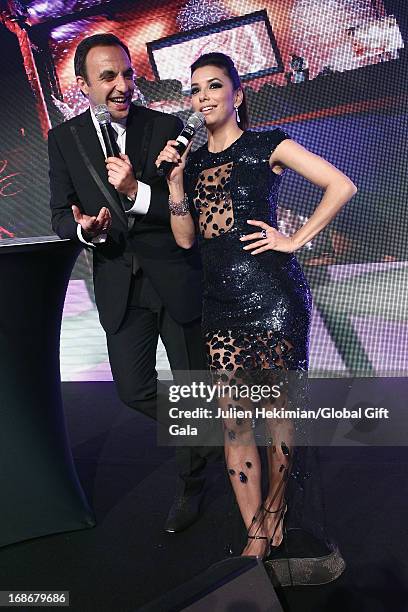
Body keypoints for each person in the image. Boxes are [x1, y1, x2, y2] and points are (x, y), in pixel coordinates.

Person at [156, 52, 357, 557]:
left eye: (213, 86)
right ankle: (255, 536)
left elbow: (341, 185)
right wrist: (176, 183)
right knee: (233, 421)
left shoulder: (268, 144)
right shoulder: (194, 160)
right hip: (220, 304)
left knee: (277, 419)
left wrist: (294, 239)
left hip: (272, 299)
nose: (202, 97)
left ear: (237, 94)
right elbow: (185, 239)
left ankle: (274, 515)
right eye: (195, 89)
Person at [48, 34, 217, 533]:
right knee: (133, 389)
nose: (122, 86)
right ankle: (214, 434)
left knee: (192, 385)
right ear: (83, 85)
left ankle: (193, 482)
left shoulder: (165, 126)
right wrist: (84, 230)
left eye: (127, 74)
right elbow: (60, 215)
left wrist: (137, 193)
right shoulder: (65, 139)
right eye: (108, 77)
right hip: (119, 282)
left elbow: (195, 212)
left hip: (176, 276)